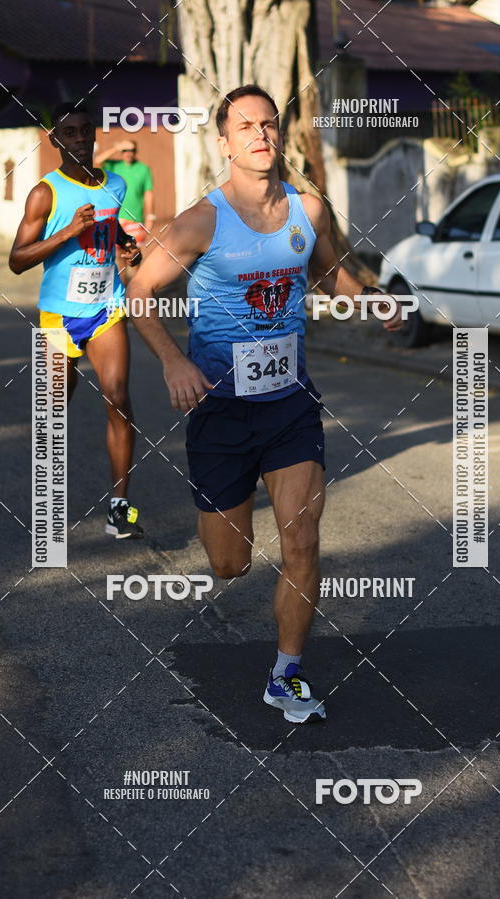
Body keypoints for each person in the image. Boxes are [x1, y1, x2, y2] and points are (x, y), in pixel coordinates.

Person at [127, 84, 402, 723]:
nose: (260, 134)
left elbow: (327, 272)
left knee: (301, 538)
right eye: (245, 126)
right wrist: (174, 361)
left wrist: (370, 299)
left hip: (290, 405)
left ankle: (287, 674)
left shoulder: (310, 209)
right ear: (224, 142)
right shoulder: (200, 221)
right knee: (231, 563)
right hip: (220, 409)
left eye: (269, 124)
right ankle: (229, 527)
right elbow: (139, 292)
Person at [9, 103, 144, 539]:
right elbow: (16, 261)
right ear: (55, 140)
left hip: (107, 307)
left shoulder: (116, 184)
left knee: (118, 397)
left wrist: (126, 247)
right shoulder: (44, 193)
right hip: (59, 315)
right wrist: (67, 231)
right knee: (52, 413)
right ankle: (47, 512)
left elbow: (111, 227)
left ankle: (119, 510)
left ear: (96, 133)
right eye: (70, 133)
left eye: (86, 130)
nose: (81, 139)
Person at [94, 139, 155, 282]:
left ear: (136, 151)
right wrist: (116, 148)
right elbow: (97, 161)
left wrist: (150, 217)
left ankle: (136, 288)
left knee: (134, 256)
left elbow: (148, 193)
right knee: (120, 257)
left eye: (131, 150)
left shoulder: (143, 169)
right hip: (117, 218)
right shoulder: (114, 166)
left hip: (135, 219)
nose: (128, 153)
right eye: (125, 150)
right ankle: (124, 289)